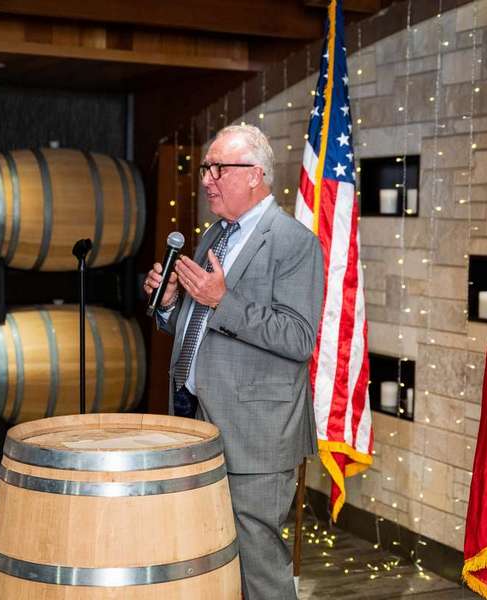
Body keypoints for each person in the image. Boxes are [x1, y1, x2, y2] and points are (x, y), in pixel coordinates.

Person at [144, 124, 324, 599]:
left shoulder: (293, 242)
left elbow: (299, 337)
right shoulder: (214, 236)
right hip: (198, 419)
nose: (206, 179)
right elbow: (198, 325)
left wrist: (221, 300)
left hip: (256, 435)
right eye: (206, 168)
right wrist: (170, 304)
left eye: (218, 168)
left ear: (255, 174)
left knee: (258, 567)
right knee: (210, 560)